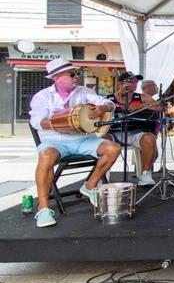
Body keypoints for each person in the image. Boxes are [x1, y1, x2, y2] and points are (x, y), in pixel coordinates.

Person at [29, 58, 121, 228]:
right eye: (71, 74)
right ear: (57, 78)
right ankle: (43, 208)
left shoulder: (84, 91)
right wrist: (58, 121)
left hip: (83, 138)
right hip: (55, 140)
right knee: (46, 157)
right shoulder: (43, 97)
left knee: (113, 148)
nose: (75, 77)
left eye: (76, 73)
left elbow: (109, 103)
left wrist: (104, 108)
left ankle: (90, 185)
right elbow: (36, 121)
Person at [104, 71, 162, 186]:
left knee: (149, 139)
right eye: (130, 81)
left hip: (136, 132)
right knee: (102, 140)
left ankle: (145, 175)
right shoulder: (108, 99)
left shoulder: (142, 97)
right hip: (114, 132)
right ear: (120, 83)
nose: (134, 83)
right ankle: (102, 176)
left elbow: (160, 108)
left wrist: (142, 105)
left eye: (136, 81)